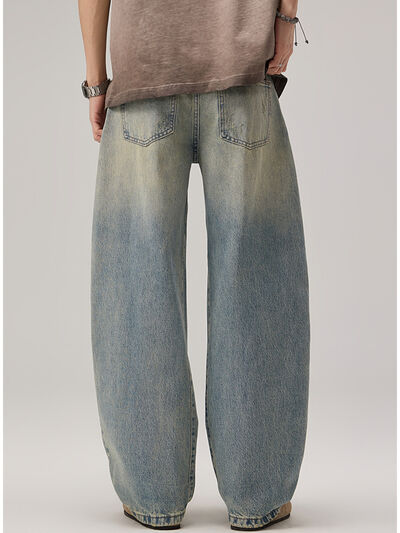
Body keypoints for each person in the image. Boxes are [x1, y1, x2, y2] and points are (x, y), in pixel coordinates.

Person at [78, 0, 310, 530]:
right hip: (243, 65)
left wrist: (96, 82)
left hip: (143, 71)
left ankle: (151, 491)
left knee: (138, 288)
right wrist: (284, 22)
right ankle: (259, 493)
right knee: (257, 284)